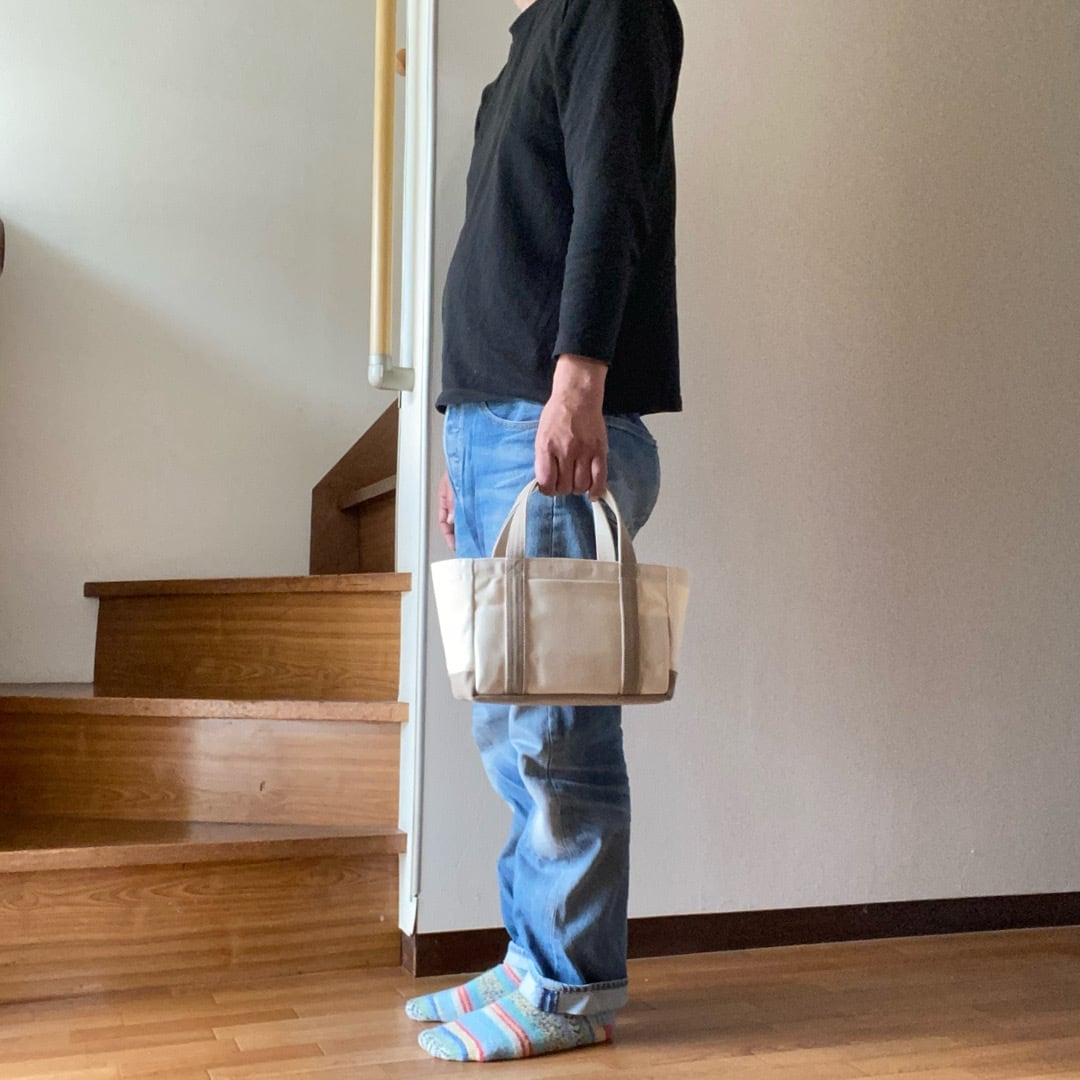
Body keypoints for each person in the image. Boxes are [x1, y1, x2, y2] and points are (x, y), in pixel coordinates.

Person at [407, 0, 683, 1062]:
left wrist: (577, 382)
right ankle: (532, 959)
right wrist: (456, 435)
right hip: (494, 422)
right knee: (510, 725)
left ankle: (571, 987)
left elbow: (613, 190)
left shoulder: (610, 8)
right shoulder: (529, 38)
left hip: (545, 416)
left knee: (558, 732)